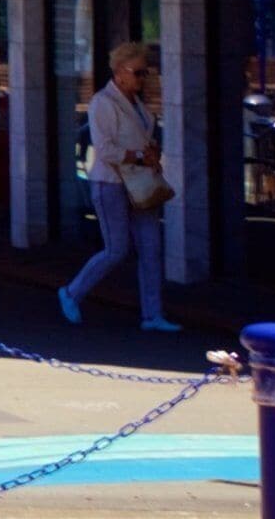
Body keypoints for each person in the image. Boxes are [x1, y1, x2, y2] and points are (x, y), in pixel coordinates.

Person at [58, 41, 180, 331]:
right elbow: (105, 149)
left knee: (151, 248)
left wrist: (151, 155)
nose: (142, 79)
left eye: (145, 73)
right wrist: (140, 155)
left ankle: (152, 315)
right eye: (138, 72)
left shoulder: (138, 104)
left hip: (141, 184)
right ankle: (72, 292)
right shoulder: (102, 102)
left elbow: (139, 139)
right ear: (120, 71)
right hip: (111, 183)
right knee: (116, 248)